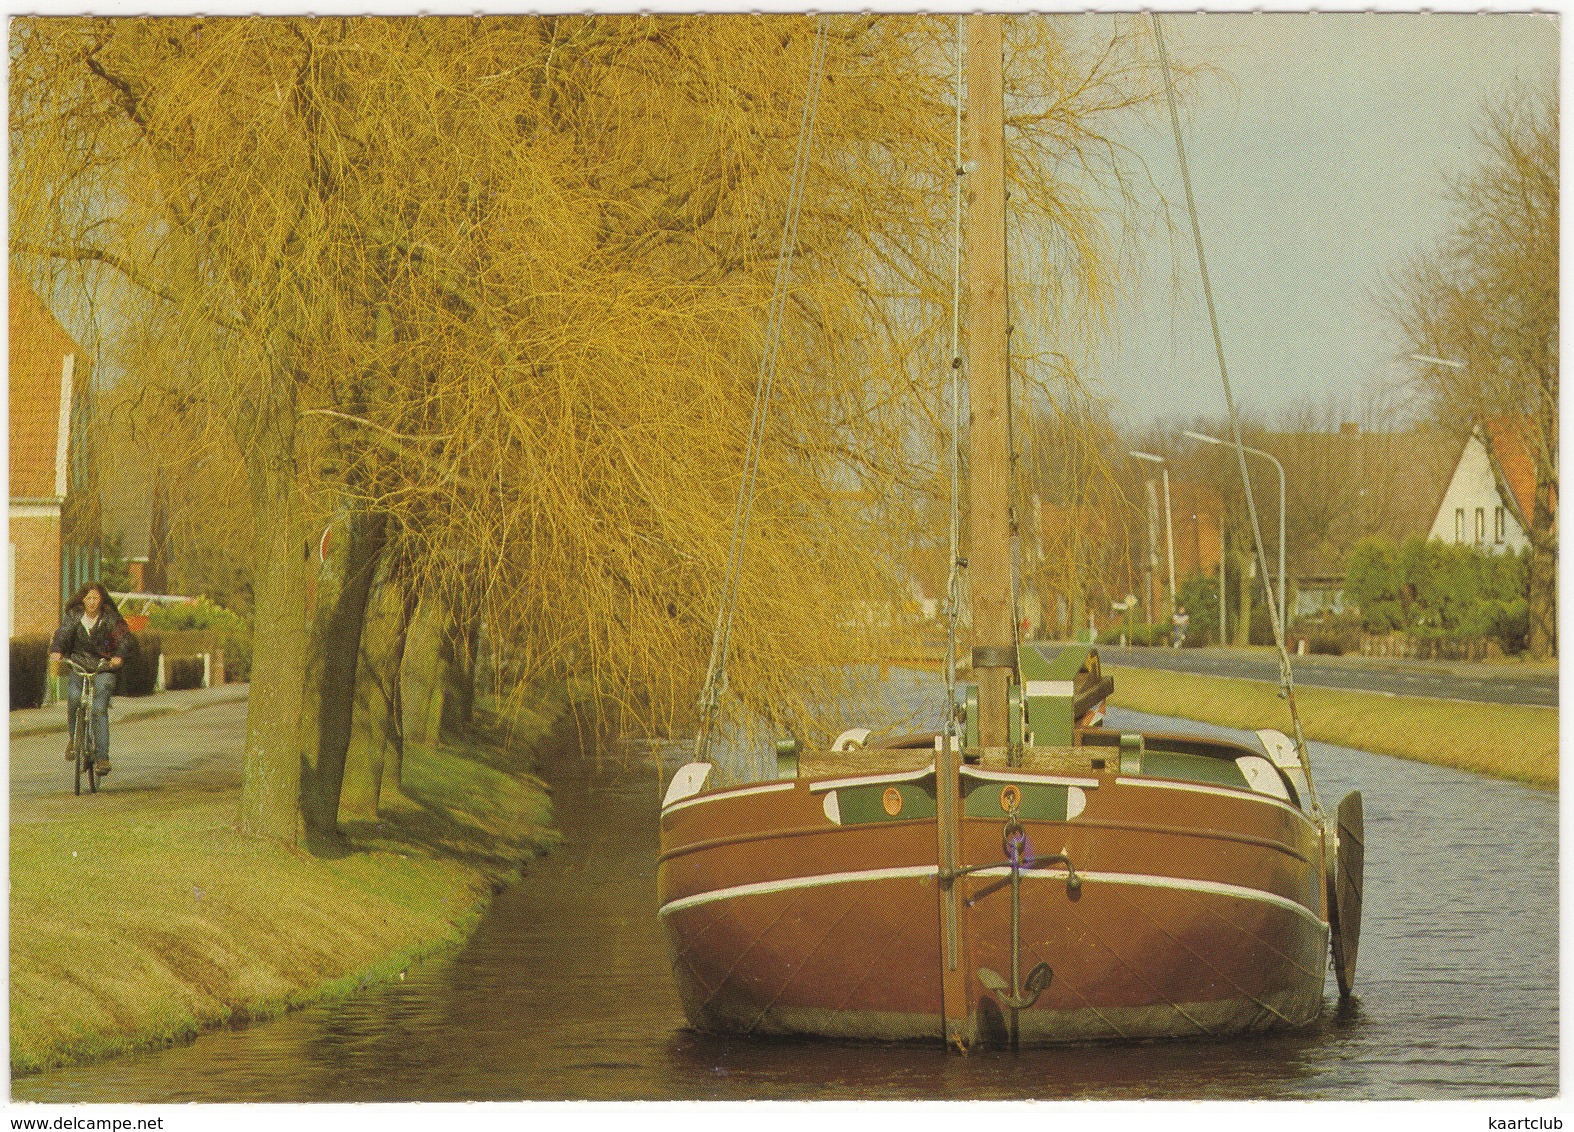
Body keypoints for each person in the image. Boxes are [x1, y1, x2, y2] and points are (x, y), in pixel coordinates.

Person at [49, 582, 133, 777]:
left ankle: (102, 758)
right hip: (79, 666)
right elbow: (62, 634)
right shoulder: (74, 616)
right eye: (89, 598)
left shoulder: (110, 617)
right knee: (73, 698)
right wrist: (56, 651)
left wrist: (118, 655)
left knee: (98, 708)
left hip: (103, 667)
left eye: (96, 598)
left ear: (101, 599)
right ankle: (74, 739)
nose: (92, 602)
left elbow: (125, 638)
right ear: (82, 599)